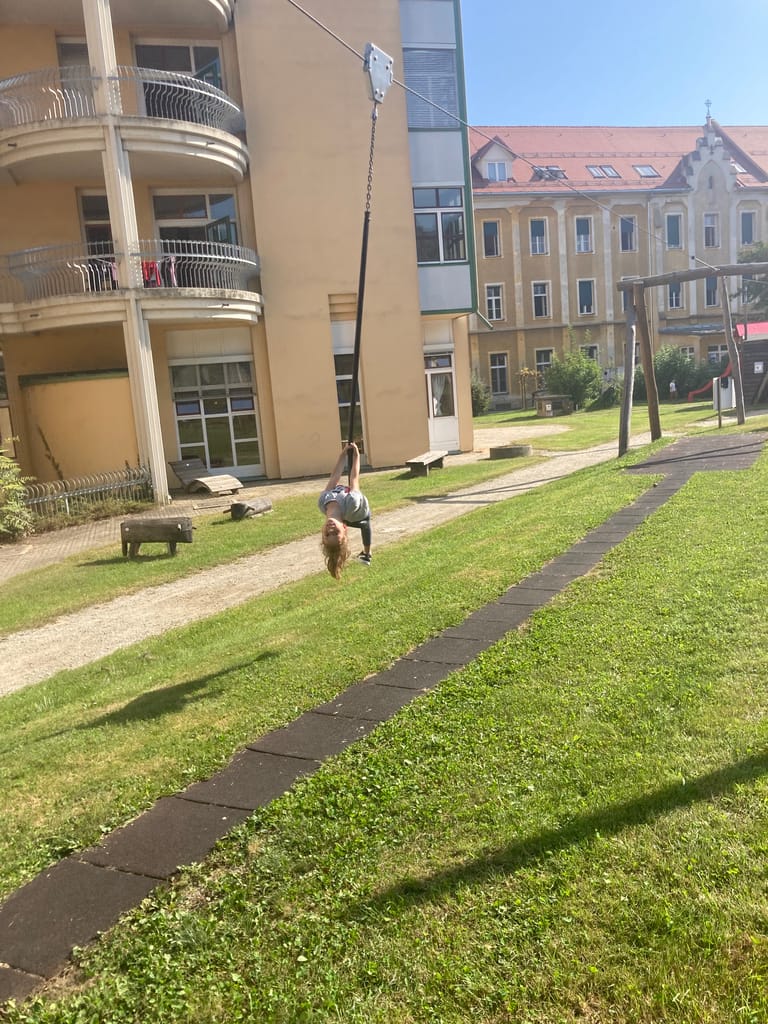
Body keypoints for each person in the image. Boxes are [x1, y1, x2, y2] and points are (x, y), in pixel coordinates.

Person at [318, 442, 372, 579]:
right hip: (361, 512)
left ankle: (366, 553)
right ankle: (368, 552)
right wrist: (356, 456)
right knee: (365, 524)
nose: (330, 529)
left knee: (364, 526)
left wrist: (342, 455)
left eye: (327, 534)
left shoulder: (323, 502)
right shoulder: (351, 503)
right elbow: (354, 477)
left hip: (345, 506)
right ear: (344, 527)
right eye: (335, 532)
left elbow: (334, 477)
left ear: (322, 532)